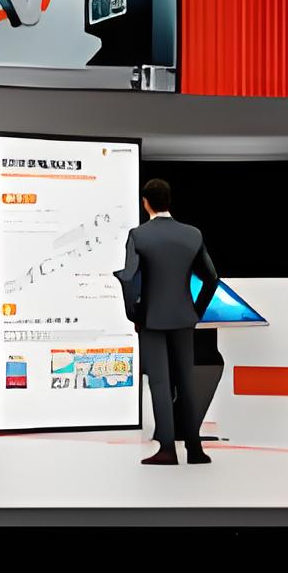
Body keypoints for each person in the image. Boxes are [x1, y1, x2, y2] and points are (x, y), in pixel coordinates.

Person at [116, 178, 223, 467]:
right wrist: (196, 311)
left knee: (160, 383)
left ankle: (166, 449)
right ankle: (195, 449)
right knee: (186, 382)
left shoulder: (138, 235)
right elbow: (212, 278)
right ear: (169, 201)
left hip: (151, 319)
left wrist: (134, 315)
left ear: (145, 203)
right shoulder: (192, 234)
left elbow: (129, 278)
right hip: (184, 318)